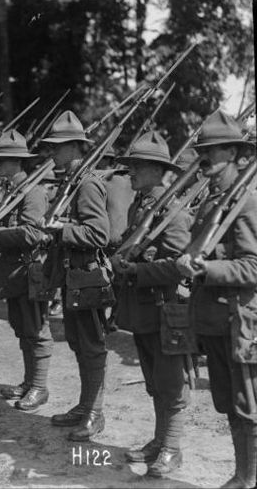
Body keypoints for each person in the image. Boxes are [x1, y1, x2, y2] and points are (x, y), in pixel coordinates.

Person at [140, 111, 257, 486]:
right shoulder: (213, 202)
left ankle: (246, 478)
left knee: (248, 407)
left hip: (239, 321)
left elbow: (254, 267)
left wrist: (207, 270)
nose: (204, 160)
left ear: (238, 156)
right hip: (213, 321)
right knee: (228, 404)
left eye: (214, 152)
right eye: (203, 151)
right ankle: (241, 476)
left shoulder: (248, 203)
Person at [110, 131, 191, 477]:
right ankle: (159, 441)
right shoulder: (140, 205)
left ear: (159, 170)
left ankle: (172, 447)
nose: (133, 173)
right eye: (131, 167)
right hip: (143, 308)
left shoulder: (171, 209)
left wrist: (138, 270)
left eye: (139, 166)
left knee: (171, 381)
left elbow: (182, 263)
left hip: (166, 307)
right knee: (154, 380)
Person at [40, 111, 110, 440]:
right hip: (73, 277)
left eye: (56, 147)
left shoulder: (89, 183)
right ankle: (85, 406)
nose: (51, 153)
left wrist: (61, 229)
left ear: (74, 147)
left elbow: (99, 233)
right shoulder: (72, 181)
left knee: (91, 345)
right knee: (79, 344)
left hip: (87, 276)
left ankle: (94, 413)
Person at [0, 130, 51, 410]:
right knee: (22, 329)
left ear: (15, 162)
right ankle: (29, 381)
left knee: (37, 330)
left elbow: (33, 233)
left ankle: (40, 387)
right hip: (12, 271)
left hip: (28, 270)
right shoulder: (13, 191)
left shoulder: (32, 191)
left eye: (1, 161)